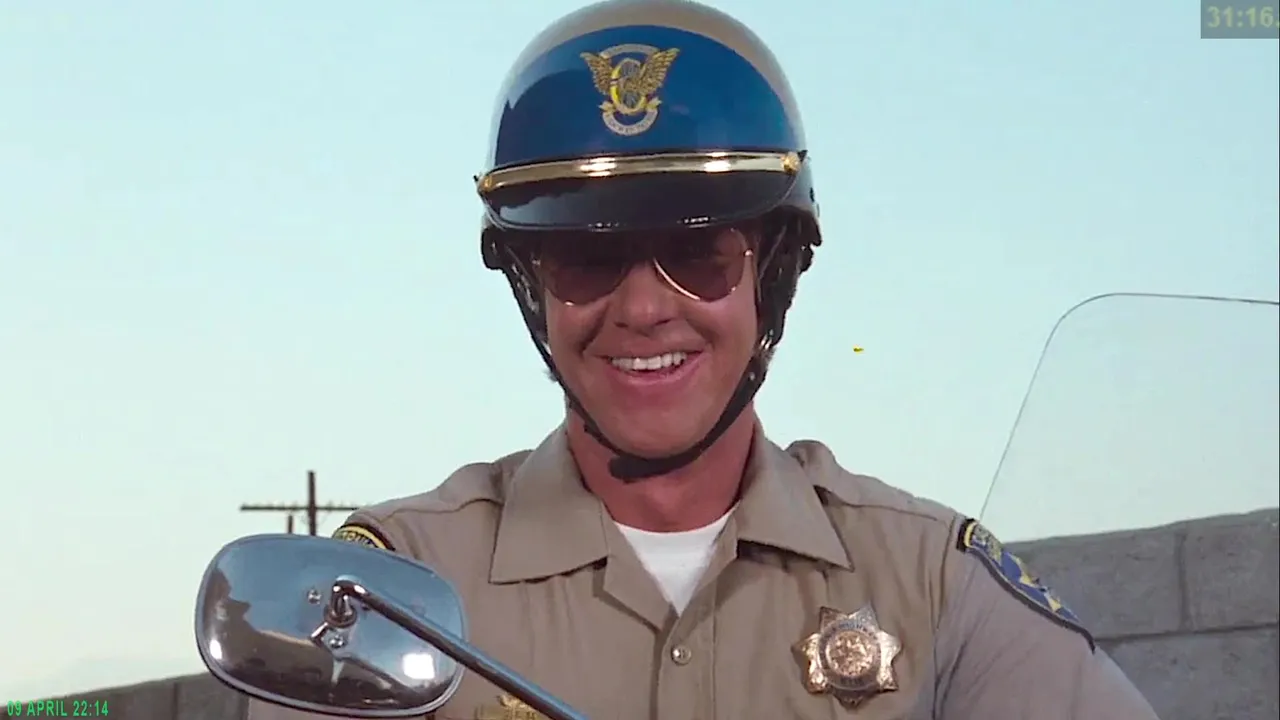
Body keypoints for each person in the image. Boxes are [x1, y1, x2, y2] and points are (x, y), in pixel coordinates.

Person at [248, 0, 1160, 718]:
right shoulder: (395, 589)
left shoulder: (927, 582)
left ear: (775, 274)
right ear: (531, 287)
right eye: (587, 260)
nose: (644, 309)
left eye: (699, 254)